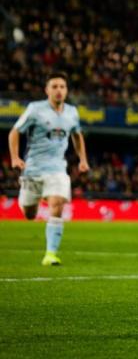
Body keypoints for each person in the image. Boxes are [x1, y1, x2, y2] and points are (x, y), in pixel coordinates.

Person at [8, 71, 89, 266]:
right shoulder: (35, 109)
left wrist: (82, 159)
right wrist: (15, 157)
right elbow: (14, 132)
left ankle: (50, 254)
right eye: (54, 87)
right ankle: (32, 199)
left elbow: (77, 135)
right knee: (29, 214)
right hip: (33, 169)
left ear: (67, 90)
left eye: (62, 87)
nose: (59, 90)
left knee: (58, 203)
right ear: (47, 90)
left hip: (57, 169)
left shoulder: (72, 112)